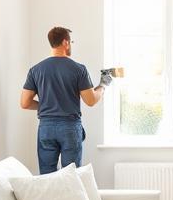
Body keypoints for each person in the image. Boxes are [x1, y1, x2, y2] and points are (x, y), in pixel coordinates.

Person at [20, 26, 112, 174]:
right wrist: (103, 85)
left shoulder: (36, 70)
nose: (71, 45)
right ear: (65, 42)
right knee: (71, 176)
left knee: (46, 177)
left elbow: (25, 103)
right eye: (71, 41)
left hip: (46, 128)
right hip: (69, 127)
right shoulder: (78, 69)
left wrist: (47, 105)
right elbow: (91, 100)